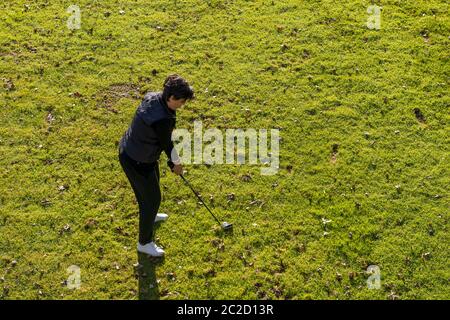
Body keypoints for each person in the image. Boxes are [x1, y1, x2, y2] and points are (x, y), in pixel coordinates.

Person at [118, 74, 194, 257]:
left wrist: (171, 161)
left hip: (133, 152)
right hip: (137, 160)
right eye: (181, 102)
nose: (182, 105)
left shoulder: (154, 96)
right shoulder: (162, 120)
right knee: (151, 200)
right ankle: (144, 243)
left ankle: (150, 216)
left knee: (151, 191)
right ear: (171, 98)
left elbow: (161, 141)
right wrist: (176, 163)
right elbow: (167, 143)